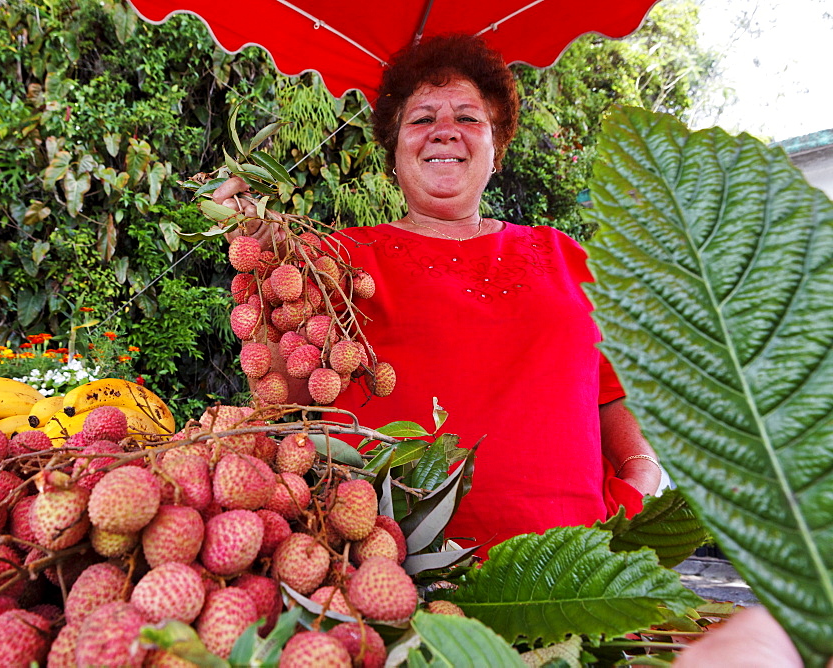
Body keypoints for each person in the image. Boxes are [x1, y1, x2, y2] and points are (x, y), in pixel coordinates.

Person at [217, 34, 661, 557]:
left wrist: (640, 478)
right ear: (395, 154)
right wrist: (270, 265)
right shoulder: (335, 259)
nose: (444, 131)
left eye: (469, 118)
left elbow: (615, 394)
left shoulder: (568, 257)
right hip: (395, 579)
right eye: (422, 118)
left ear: (497, 149)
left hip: (574, 573)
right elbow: (285, 397)